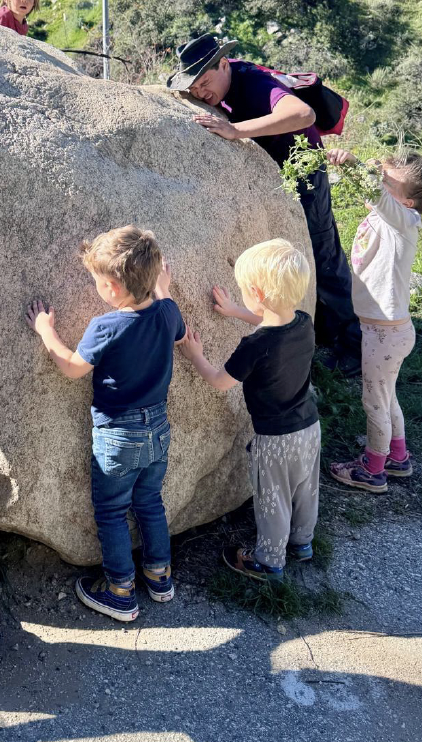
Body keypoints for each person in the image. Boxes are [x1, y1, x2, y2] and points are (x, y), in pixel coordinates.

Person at [167, 33, 361, 376]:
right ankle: (320, 331)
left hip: (303, 170)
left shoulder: (252, 83)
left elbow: (302, 114)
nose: (200, 92)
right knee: (298, 251)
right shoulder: (225, 83)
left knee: (322, 251)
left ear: (224, 64)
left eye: (205, 81)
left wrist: (236, 130)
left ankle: (353, 345)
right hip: (278, 173)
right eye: (193, 87)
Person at [26, 225, 185, 622]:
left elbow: (72, 368)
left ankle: (120, 591)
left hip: (119, 435)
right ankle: (160, 577)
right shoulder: (168, 312)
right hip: (158, 429)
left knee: (112, 511)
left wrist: (46, 330)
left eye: (97, 281)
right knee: (150, 502)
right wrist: (162, 287)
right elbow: (176, 328)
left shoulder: (107, 326)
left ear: (112, 287)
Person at [180, 239, 320, 582]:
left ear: (256, 291)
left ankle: (269, 561)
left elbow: (219, 380)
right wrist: (235, 312)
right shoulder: (302, 322)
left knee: (272, 500)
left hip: (275, 440)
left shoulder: (255, 345)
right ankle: (302, 542)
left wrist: (194, 353)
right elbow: (269, 316)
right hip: (309, 426)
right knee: (306, 489)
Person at [328, 149, 422, 492]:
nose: (380, 184)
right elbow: (375, 196)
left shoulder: (405, 222)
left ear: (408, 202)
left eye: (387, 183)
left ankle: (373, 469)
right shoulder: (390, 216)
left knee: (373, 402)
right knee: (387, 397)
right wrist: (367, 168)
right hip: (384, 329)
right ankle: (397, 457)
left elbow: (377, 196)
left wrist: (355, 166)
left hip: (386, 333)